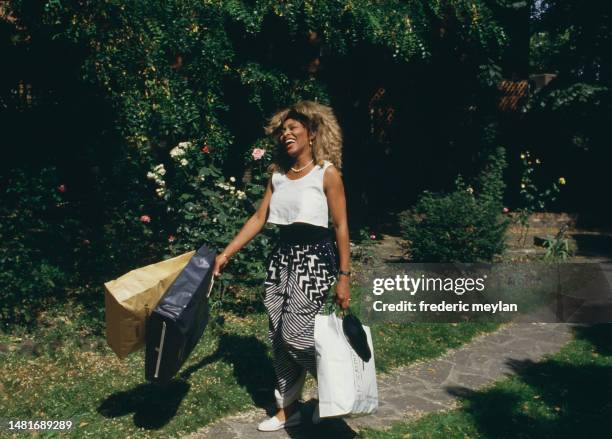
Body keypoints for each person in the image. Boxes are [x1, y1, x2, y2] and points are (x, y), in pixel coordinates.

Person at [212, 100, 351, 431]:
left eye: (294, 128)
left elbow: (341, 226)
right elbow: (260, 217)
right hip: (282, 259)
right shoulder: (278, 177)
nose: (286, 134)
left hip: (315, 259)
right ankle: (289, 409)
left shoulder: (326, 173)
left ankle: (337, 387)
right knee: (277, 336)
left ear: (312, 133)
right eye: (283, 130)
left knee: (295, 335)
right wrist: (227, 252)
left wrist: (344, 276)